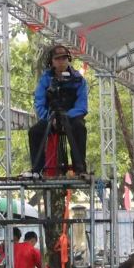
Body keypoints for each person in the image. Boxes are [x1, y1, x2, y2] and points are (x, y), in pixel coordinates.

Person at [27, 43, 88, 176]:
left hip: (72, 119)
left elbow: (82, 106)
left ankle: (80, 169)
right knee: (34, 132)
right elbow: (39, 102)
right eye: (57, 59)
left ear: (68, 59)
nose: (61, 61)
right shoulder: (45, 79)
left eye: (64, 58)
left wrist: (67, 117)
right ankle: (37, 170)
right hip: (51, 118)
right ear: (52, 61)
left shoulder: (78, 79)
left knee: (80, 127)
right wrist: (50, 118)